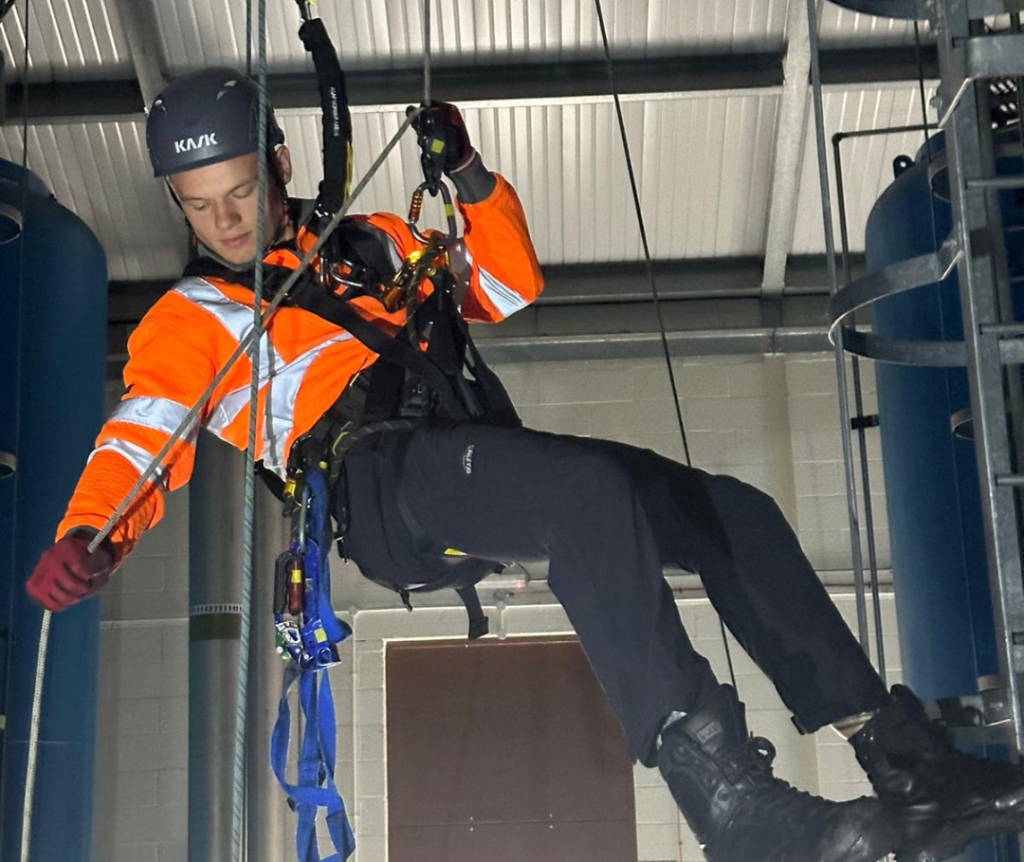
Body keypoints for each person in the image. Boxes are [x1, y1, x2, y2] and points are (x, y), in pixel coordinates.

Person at [25, 67, 1024, 862]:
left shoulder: (369, 245)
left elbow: (505, 284)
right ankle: (727, 799)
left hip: (470, 453)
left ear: (279, 159)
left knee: (730, 510)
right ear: (177, 203)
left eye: (242, 190)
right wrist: (93, 531)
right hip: (378, 487)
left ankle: (898, 755)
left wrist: (466, 177)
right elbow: (142, 433)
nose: (229, 222)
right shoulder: (191, 320)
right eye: (202, 208)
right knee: (582, 494)